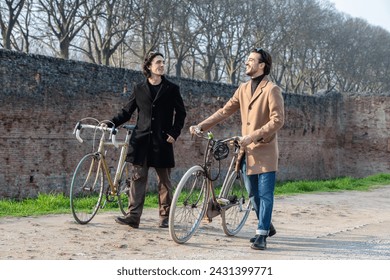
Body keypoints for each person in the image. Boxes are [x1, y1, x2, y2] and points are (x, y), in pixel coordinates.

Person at [190, 48, 284, 250]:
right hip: (246, 152)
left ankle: (261, 235)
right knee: (252, 194)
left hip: (265, 150)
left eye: (251, 60)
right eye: (247, 59)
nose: (246, 63)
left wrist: (253, 135)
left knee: (265, 194)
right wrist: (201, 126)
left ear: (262, 65)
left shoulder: (272, 89)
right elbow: (224, 111)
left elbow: (278, 120)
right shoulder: (242, 89)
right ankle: (266, 224)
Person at [110, 51, 186, 229]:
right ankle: (133, 216)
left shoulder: (172, 88)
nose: (162, 65)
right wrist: (111, 122)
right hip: (141, 141)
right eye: (158, 62)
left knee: (164, 182)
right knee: (137, 179)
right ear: (149, 66)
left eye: (163, 62)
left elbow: (181, 113)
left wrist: (174, 133)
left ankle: (165, 217)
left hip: (163, 141)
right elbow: (127, 111)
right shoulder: (139, 88)